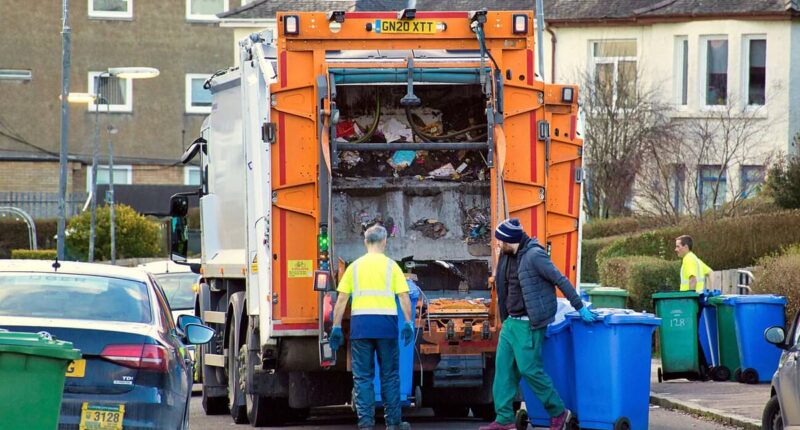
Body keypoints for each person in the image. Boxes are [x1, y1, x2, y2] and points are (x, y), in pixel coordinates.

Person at [480, 219, 597, 430]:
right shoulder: (507, 256)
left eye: (501, 241)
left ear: (511, 240)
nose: (498, 245)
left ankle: (559, 412)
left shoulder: (535, 255)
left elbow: (560, 279)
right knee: (503, 370)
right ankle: (504, 419)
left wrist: (579, 306)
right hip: (511, 323)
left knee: (530, 370)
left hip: (528, 324)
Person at [329, 224, 414, 430]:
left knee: (363, 377)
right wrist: (409, 322)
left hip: (361, 327)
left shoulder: (354, 267)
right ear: (384, 242)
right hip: (386, 327)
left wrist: (337, 326)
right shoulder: (392, 266)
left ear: (365, 242)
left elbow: (341, 299)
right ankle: (393, 423)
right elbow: (403, 296)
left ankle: (366, 424)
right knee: (390, 375)